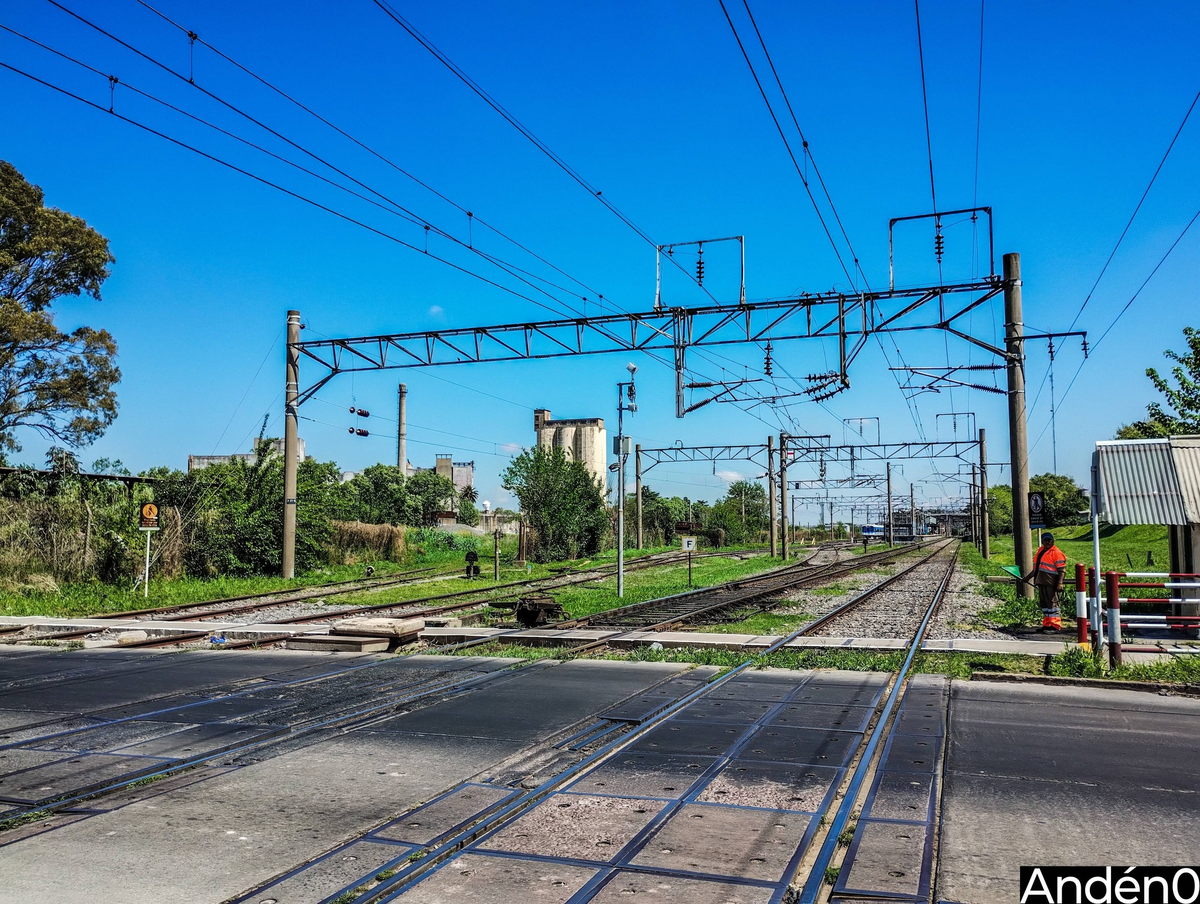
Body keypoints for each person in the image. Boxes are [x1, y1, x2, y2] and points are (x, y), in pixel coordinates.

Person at [1023, 532, 1067, 632]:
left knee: (1053, 604)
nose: (1047, 542)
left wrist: (1059, 583)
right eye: (1045, 540)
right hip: (1042, 581)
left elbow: (1062, 570)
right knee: (1045, 605)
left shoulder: (1056, 553)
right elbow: (1037, 568)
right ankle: (1047, 624)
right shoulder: (1041, 552)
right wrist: (1027, 577)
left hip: (1051, 583)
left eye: (1049, 540)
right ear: (1042, 541)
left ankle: (1055, 626)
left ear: (1053, 541)